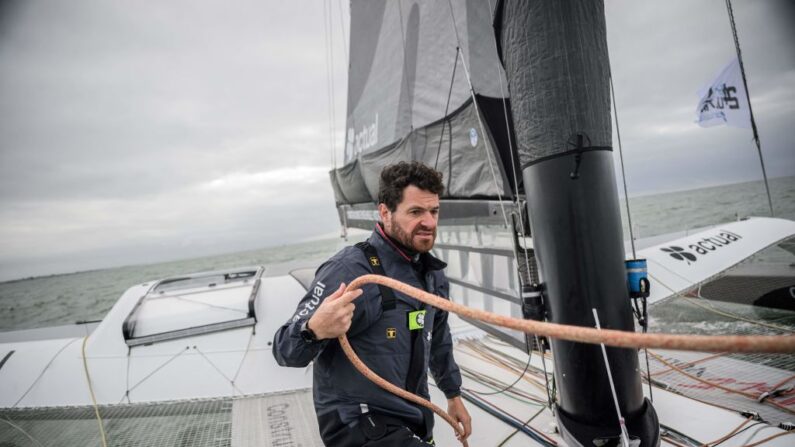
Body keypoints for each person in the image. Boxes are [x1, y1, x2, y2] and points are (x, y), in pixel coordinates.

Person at [273, 161, 472, 446]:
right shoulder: (350, 270)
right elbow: (284, 349)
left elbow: (438, 338)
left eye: (434, 211)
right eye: (415, 212)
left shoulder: (432, 274)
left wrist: (453, 396)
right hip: (357, 424)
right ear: (385, 212)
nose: (429, 222)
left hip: (413, 418)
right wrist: (313, 329)